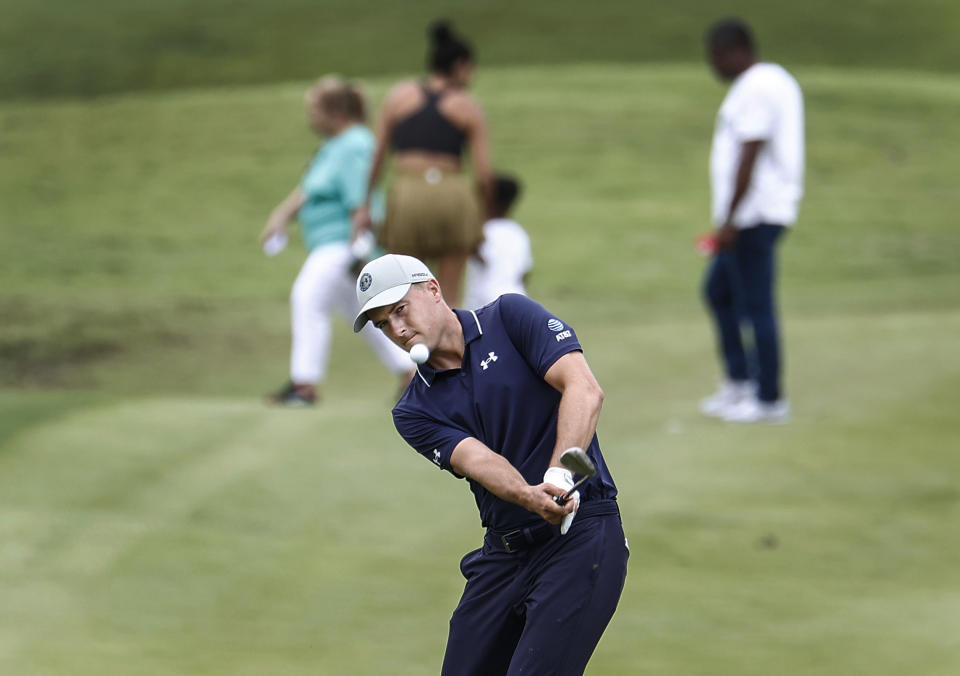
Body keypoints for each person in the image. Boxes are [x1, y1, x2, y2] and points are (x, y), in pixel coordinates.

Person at [352, 254, 628, 676]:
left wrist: (557, 476)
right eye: (383, 324)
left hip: (581, 537)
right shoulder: (412, 410)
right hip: (504, 554)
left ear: (433, 289)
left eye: (399, 310)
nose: (398, 330)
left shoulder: (509, 318)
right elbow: (478, 460)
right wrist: (529, 495)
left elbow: (584, 389)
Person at [260, 76, 413, 406]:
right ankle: (411, 372)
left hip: (342, 243)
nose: (310, 116)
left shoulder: (355, 144)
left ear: (334, 110)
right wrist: (281, 216)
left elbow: (362, 197)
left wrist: (362, 246)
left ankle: (304, 385)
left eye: (314, 109)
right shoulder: (335, 146)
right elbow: (310, 188)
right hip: (332, 243)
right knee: (368, 311)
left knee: (307, 297)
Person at [700, 17, 804, 423]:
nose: (714, 65)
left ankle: (769, 398)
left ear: (735, 50)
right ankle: (740, 381)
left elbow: (750, 151)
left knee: (756, 306)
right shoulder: (768, 82)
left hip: (753, 216)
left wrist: (730, 220)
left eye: (716, 56)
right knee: (719, 292)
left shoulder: (758, 86)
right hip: (751, 214)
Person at [353, 20, 493, 307]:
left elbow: (376, 160)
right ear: (460, 65)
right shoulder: (467, 106)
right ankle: (453, 347)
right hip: (453, 194)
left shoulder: (399, 97)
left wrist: (365, 205)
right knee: (449, 299)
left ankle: (413, 349)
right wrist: (481, 217)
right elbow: (483, 175)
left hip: (408, 195)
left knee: (407, 293)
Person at [463, 173, 533, 310]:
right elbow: (524, 272)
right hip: (518, 300)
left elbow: (479, 258)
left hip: (483, 304)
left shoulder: (481, 232)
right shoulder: (518, 233)